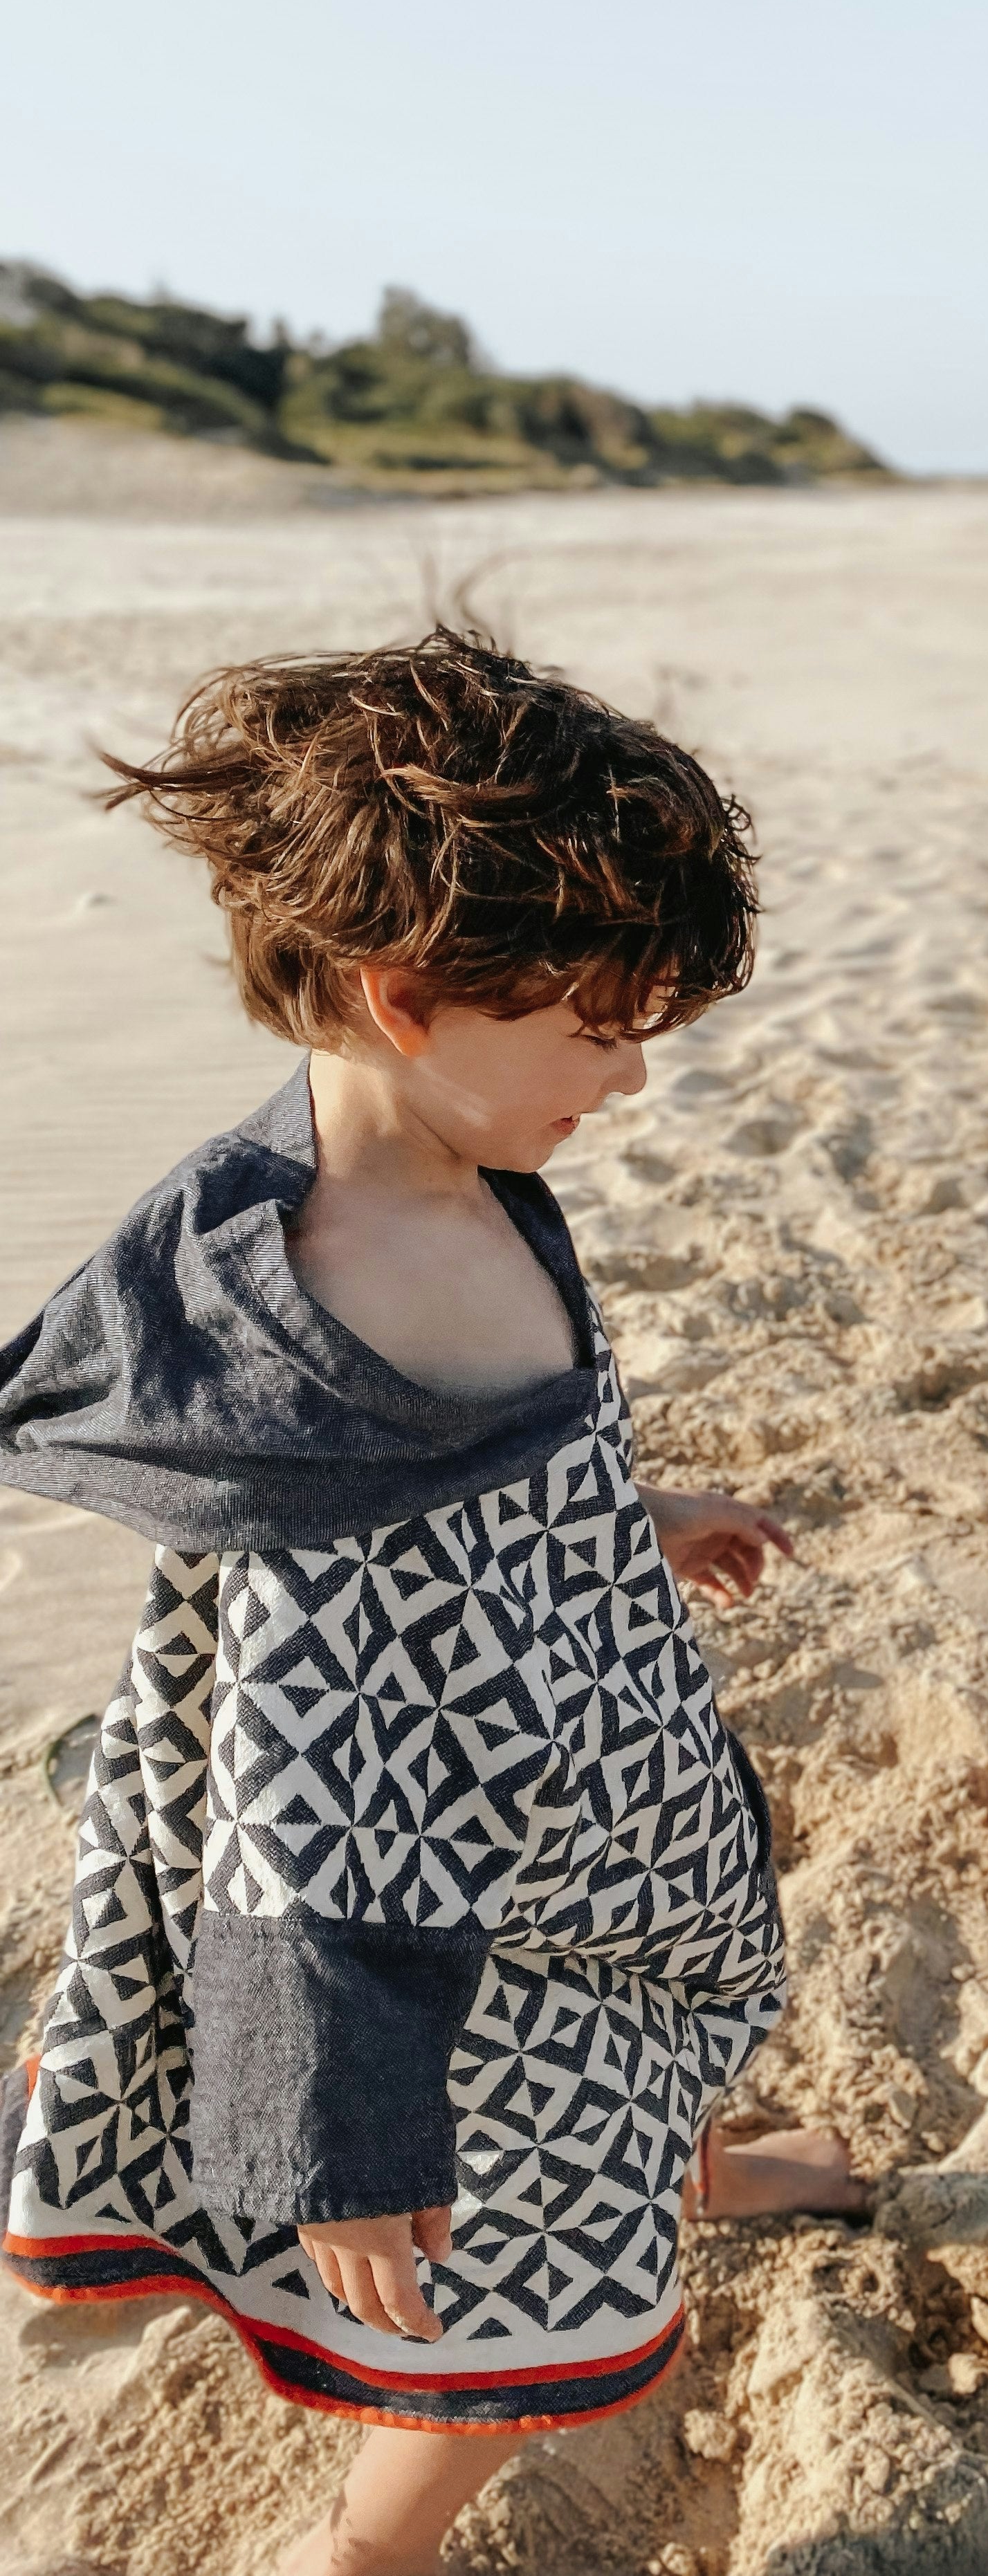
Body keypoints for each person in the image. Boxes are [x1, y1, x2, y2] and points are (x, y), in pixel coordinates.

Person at [0, 634, 863, 2576]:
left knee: (667, 2001)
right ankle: (365, 2554)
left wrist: (630, 1513)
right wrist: (342, 2140)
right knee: (525, 2314)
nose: (632, 1076)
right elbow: (310, 1809)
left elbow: (490, 1484)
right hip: (460, 1933)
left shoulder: (437, 1170)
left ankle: (689, 2163)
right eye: (600, 1030)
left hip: (581, 1799)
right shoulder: (346, 1331)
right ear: (406, 996)